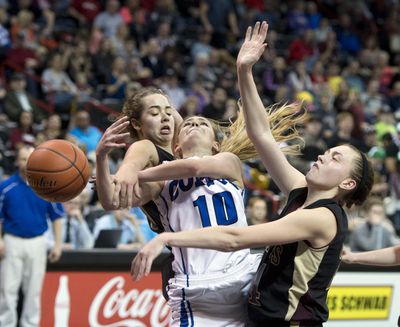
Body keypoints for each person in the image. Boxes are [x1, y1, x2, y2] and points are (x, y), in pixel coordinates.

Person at [131, 21, 375, 327]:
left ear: (347, 183)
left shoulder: (322, 216)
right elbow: (260, 134)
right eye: (328, 151)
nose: (324, 155)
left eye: (335, 158)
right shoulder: (301, 189)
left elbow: (235, 238)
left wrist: (166, 237)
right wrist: (244, 70)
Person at [126, 109, 303, 326]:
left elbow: (195, 166)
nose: (195, 125)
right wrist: (102, 157)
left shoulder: (229, 161)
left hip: (242, 275)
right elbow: (113, 201)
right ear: (177, 147)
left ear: (215, 145)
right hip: (197, 285)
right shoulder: (163, 179)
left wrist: (133, 173)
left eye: (203, 123)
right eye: (188, 124)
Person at [0, 145, 64, 327]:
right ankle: (6, 324)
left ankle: (30, 324)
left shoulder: (47, 186)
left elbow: (57, 216)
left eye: (29, 158)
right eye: (22, 159)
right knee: (7, 290)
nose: (26, 163)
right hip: (11, 242)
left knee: (33, 291)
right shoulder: (6, 187)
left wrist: (58, 244)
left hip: (38, 242)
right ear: (16, 161)